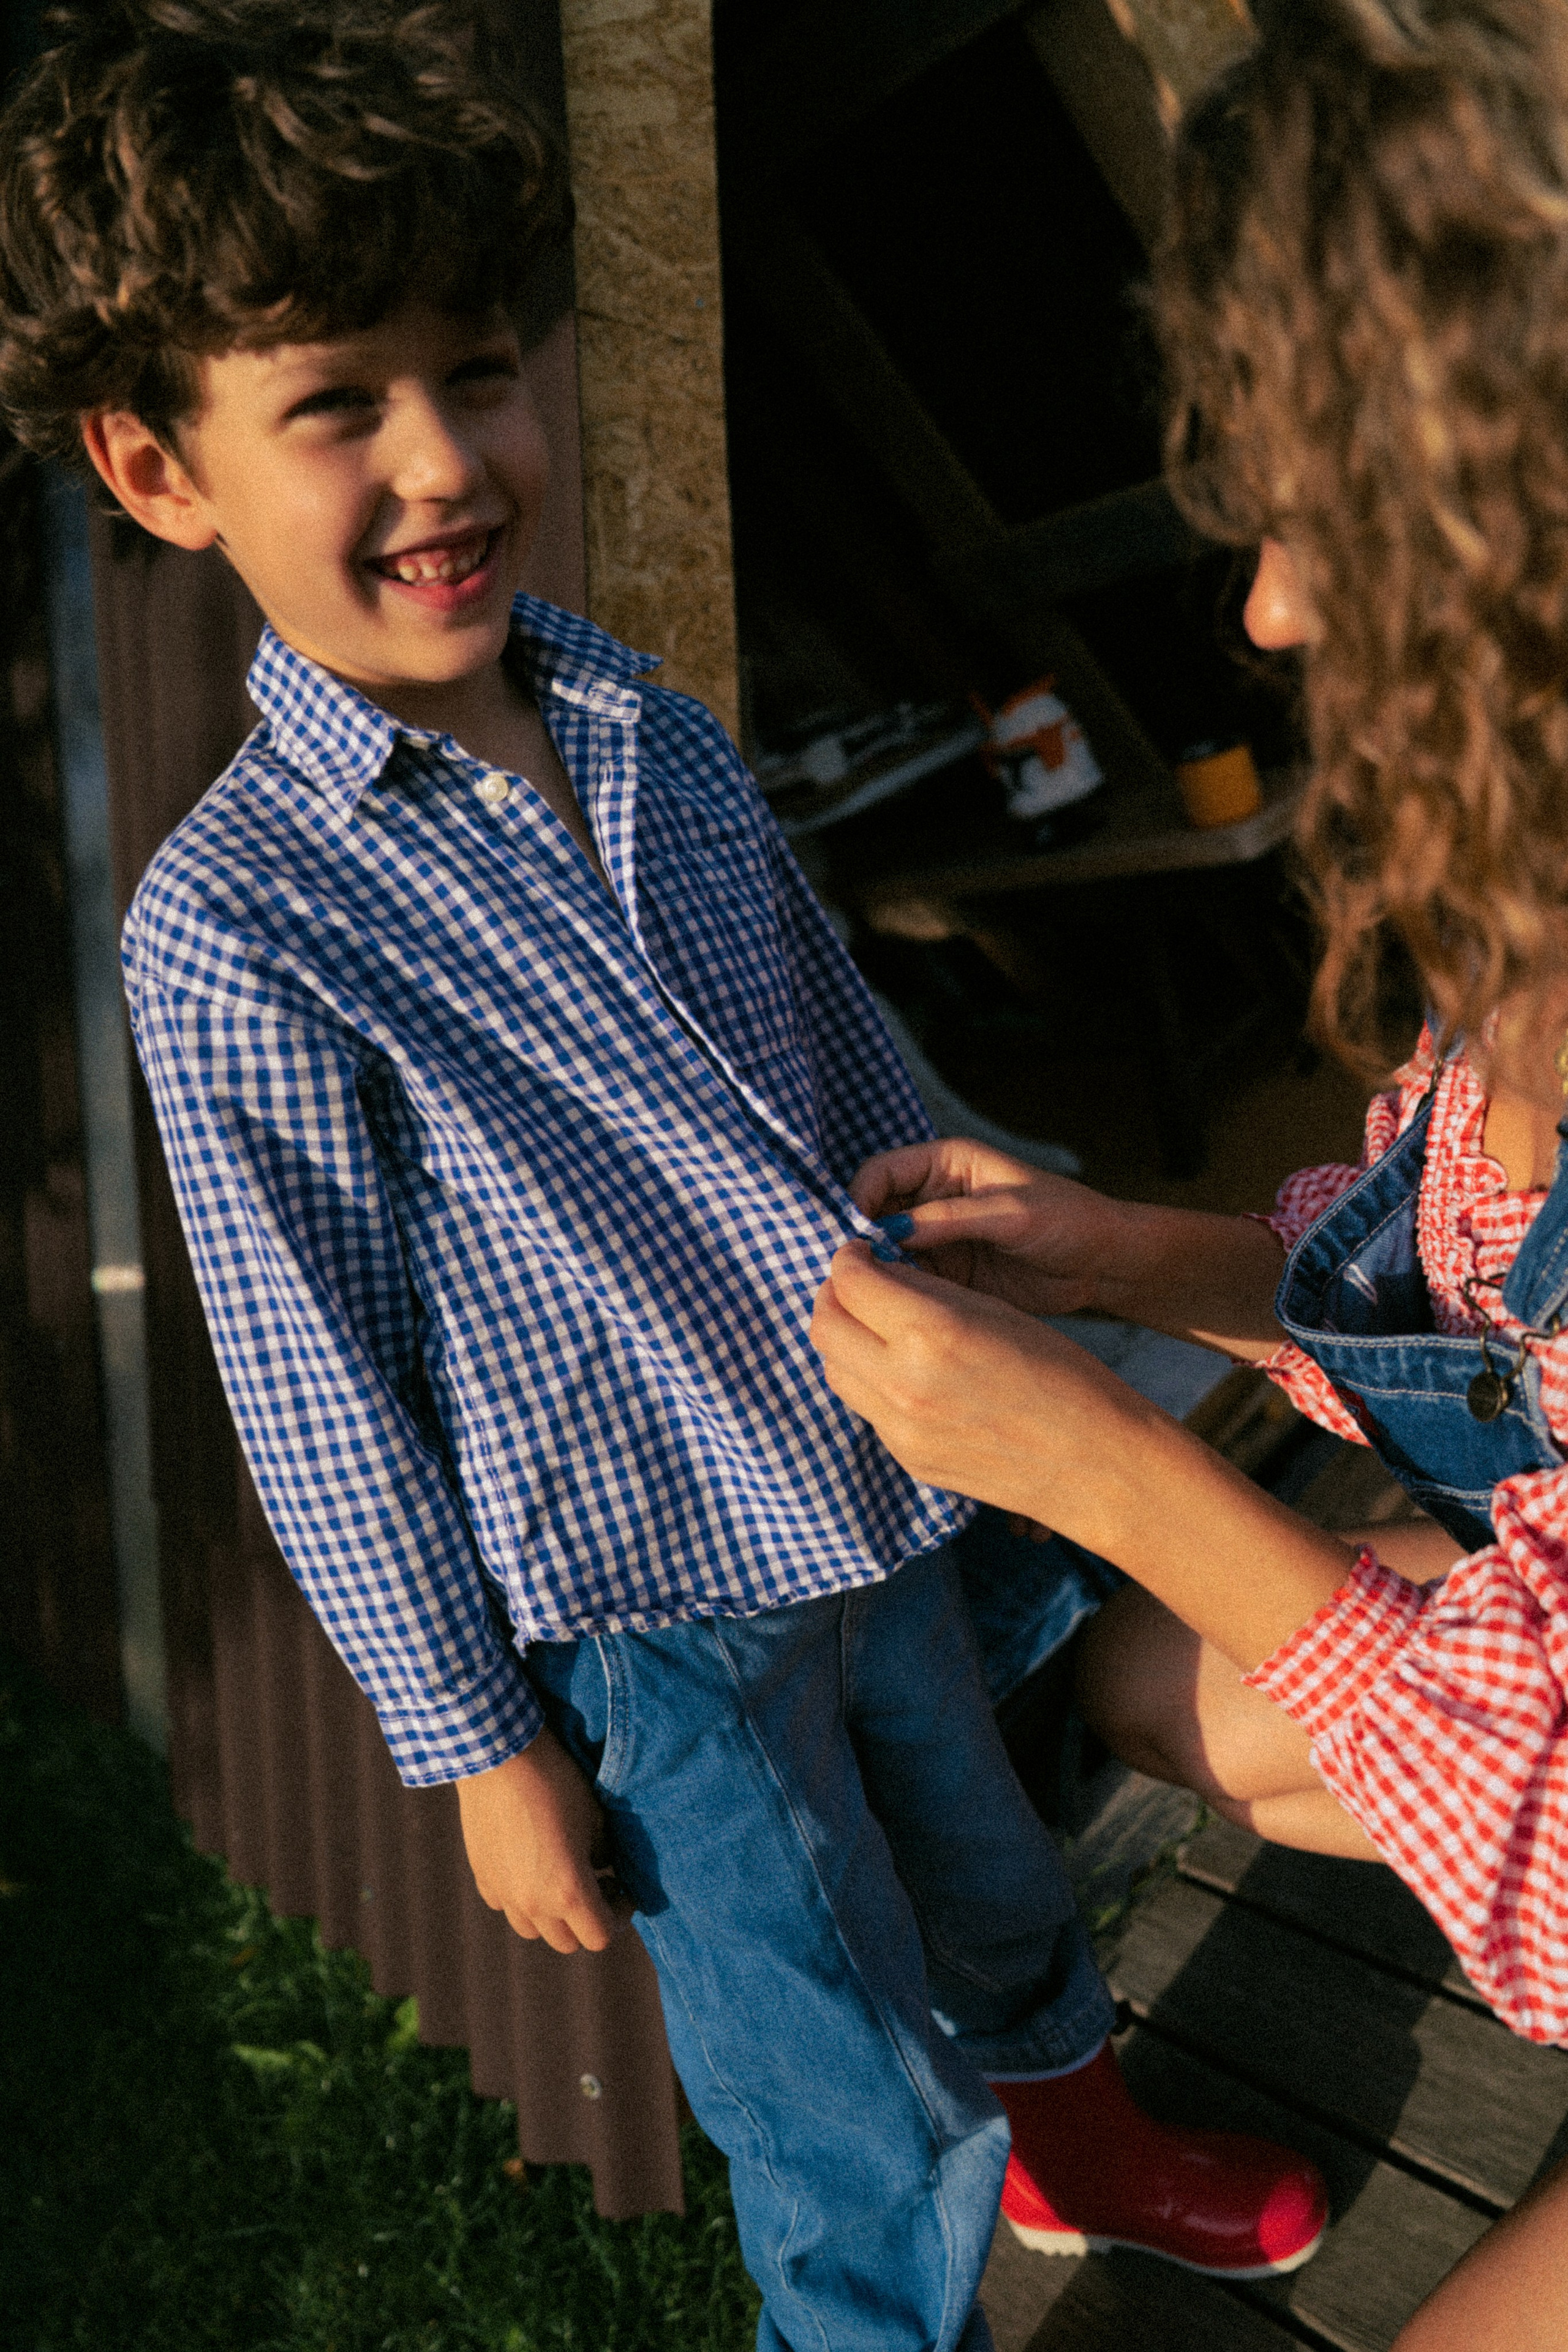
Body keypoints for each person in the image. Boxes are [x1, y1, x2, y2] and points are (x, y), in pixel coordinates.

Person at [0, 1, 1330, 2341]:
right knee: (829, 2071)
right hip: (654, 1628)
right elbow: (321, 1399)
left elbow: (840, 1041)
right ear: (156, 466)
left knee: (999, 1875)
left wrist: (1009, 1260)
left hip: (884, 1478)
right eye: (337, 406)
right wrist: (483, 1745)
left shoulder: (647, 722)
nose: (445, 460)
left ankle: (1088, 2149)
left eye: (474, 371)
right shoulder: (238, 925)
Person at [810, 3, 1568, 2345]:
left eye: (1316, 519)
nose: (1267, 610)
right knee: (1162, 1686)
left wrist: (1107, 1464)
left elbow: (1552, 1842)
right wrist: (1122, 1256)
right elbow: (1469, 1336)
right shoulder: (1525, 924)